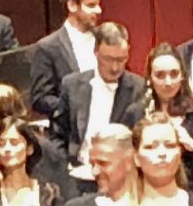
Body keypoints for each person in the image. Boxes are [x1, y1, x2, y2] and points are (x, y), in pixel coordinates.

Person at [50, 22, 144, 193]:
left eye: (121, 59)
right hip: (77, 175)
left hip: (119, 179)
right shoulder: (71, 85)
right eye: (108, 59)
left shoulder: (138, 88)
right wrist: (65, 169)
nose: (115, 67)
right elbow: (58, 135)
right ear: (96, 52)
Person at [120, 43, 193, 191]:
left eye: (174, 74)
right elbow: (122, 160)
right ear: (150, 78)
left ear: (183, 76)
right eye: (160, 75)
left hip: (187, 194)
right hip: (143, 193)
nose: (168, 82)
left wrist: (192, 146)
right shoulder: (136, 113)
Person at [30, 0, 105, 117]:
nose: (99, 10)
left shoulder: (104, 39)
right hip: (70, 132)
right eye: (91, 5)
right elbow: (40, 99)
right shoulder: (48, 47)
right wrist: (74, 105)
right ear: (72, 5)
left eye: (98, 4)